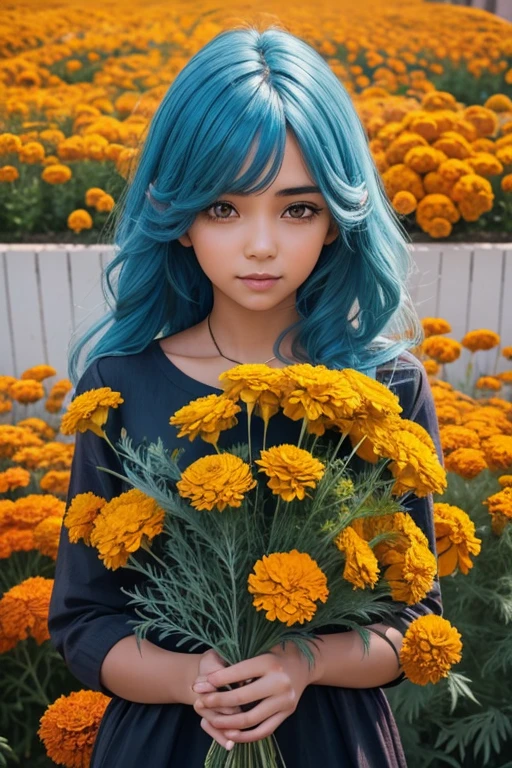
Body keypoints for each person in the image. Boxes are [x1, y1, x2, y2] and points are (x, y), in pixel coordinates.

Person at [48, 23, 443, 768]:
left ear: (334, 220)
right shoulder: (118, 386)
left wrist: (305, 664)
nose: (261, 244)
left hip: (330, 737)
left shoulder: (385, 390)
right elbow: (83, 621)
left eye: (297, 208)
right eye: (224, 208)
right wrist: (191, 680)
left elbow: (412, 618)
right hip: (165, 742)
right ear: (177, 217)